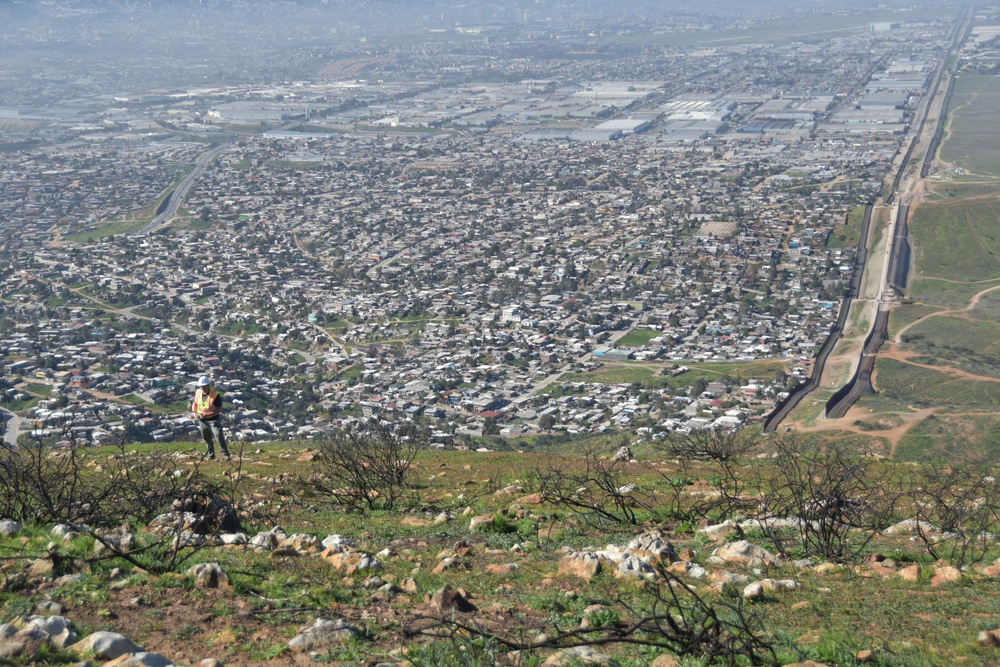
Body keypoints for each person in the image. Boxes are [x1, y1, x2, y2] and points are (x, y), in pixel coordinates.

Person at [191, 375, 229, 459]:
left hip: (213, 419)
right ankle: (211, 456)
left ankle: (225, 455)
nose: (202, 389)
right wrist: (194, 413)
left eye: (204, 387)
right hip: (202, 420)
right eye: (201, 387)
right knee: (207, 438)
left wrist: (208, 414)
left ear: (208, 385)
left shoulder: (215, 394)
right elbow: (195, 404)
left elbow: (219, 408)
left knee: (218, 435)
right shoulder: (198, 392)